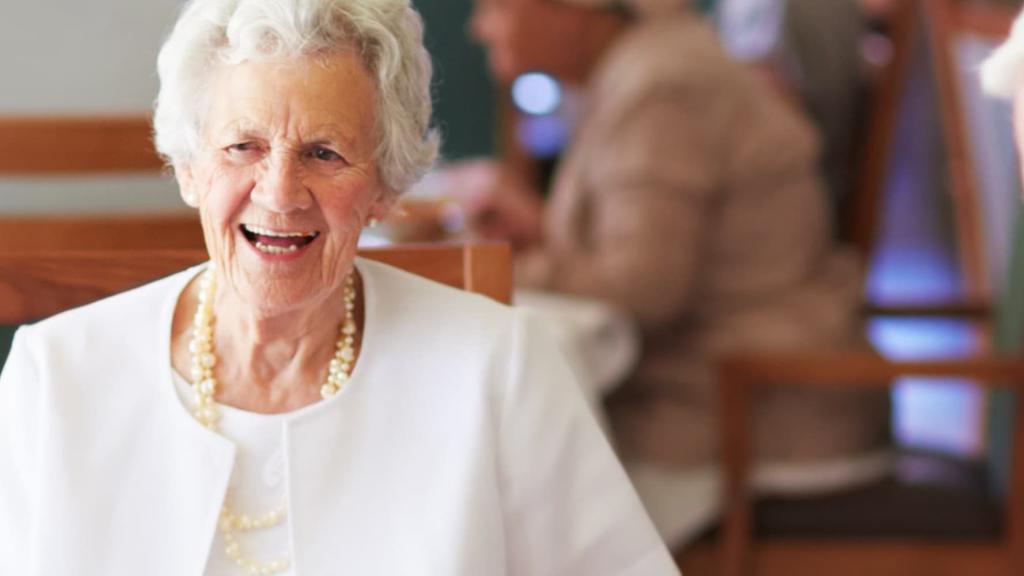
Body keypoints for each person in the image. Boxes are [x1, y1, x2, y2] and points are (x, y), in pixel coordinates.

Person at [0, 1, 680, 574]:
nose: (279, 193)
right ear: (189, 169)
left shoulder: (497, 368)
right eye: (244, 146)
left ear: (384, 185)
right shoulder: (55, 375)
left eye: (324, 153)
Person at [468, 0, 892, 547]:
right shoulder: (645, 65)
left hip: (754, 428)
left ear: (572, 10)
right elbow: (643, 245)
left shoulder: (659, 85)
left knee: (514, 518)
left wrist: (496, 266)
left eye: (493, 7)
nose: (479, 26)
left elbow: (646, 286)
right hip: (730, 403)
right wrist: (544, 231)